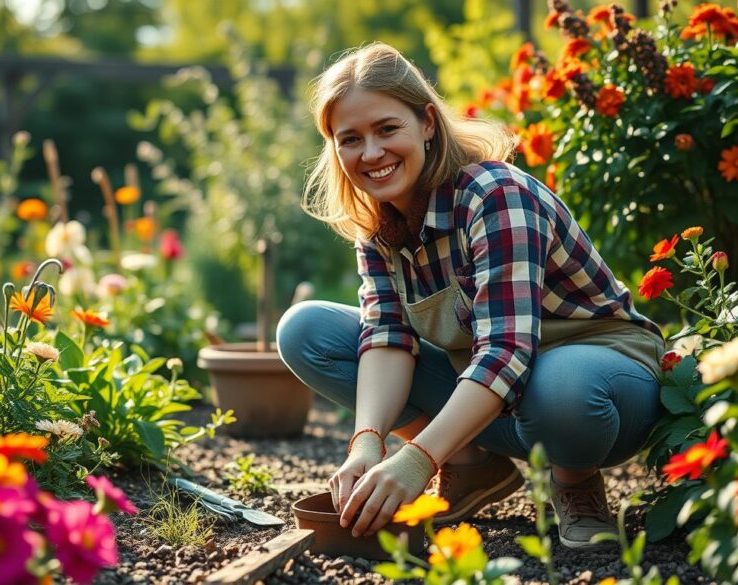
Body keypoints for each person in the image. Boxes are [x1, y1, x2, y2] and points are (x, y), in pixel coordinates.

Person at [276, 42, 665, 549]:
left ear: (428, 124)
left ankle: (575, 484)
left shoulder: (494, 193)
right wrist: (366, 444)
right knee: (307, 331)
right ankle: (471, 465)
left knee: (559, 389)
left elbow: (507, 350)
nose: (370, 153)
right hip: (499, 399)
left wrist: (415, 461)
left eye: (387, 129)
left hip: (603, 390)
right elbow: (387, 336)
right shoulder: (377, 225)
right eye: (350, 139)